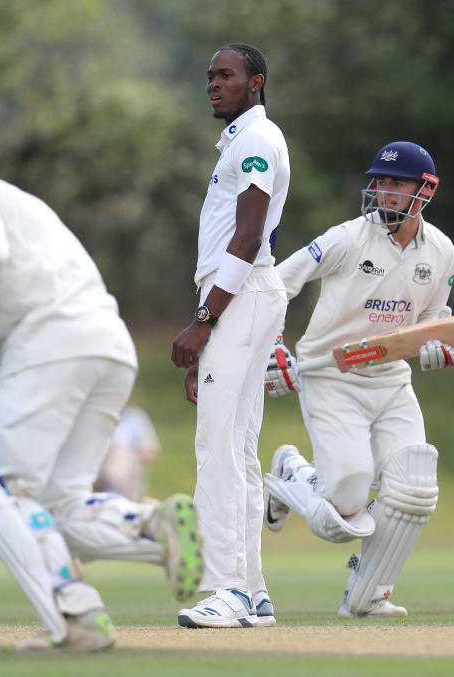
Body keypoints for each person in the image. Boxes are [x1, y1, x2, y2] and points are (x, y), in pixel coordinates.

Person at [0, 107, 203, 652]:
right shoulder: (19, 200)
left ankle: (76, 616)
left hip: (54, 346)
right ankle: (152, 523)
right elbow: (30, 278)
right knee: (59, 505)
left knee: (11, 494)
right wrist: (6, 347)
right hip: (107, 346)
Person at [262, 141, 454, 618]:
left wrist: (438, 346)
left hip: (391, 380)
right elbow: (276, 284)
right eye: (381, 182)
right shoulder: (347, 239)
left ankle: (367, 597)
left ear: (425, 190)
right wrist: (273, 347)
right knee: (340, 515)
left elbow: (433, 323)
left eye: (397, 183)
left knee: (415, 488)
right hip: (331, 376)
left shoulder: (441, 251)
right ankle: (291, 473)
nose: (384, 192)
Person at [170, 43, 290, 629]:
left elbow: (246, 239)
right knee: (237, 446)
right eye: (211, 76)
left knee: (216, 446)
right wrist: (209, 320)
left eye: (227, 75)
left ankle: (227, 591)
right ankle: (253, 591)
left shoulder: (257, 142)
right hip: (239, 299)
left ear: (256, 82)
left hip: (241, 296)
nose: (214, 84)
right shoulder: (241, 141)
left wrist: (205, 321)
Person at [94, 405, 161, 502]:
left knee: (118, 454)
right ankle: (114, 499)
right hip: (100, 461)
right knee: (115, 453)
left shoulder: (135, 416)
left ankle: (113, 497)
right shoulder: (99, 415)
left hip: (128, 464)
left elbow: (152, 452)